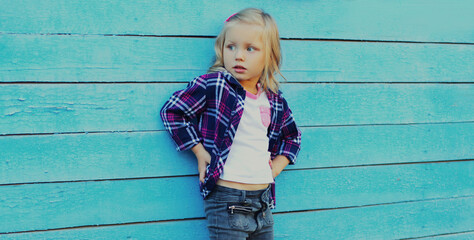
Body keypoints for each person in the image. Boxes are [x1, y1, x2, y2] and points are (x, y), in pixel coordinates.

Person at [160, 8, 301, 240]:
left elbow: (292, 137)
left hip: (263, 201)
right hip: (227, 198)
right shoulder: (216, 85)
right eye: (231, 47)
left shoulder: (274, 98)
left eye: (250, 48)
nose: (239, 56)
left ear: (269, 55)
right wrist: (199, 152)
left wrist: (274, 167)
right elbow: (173, 111)